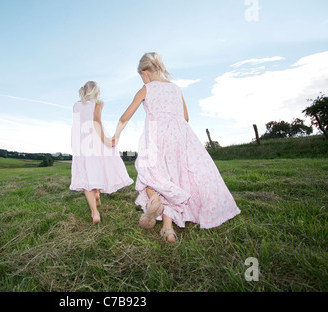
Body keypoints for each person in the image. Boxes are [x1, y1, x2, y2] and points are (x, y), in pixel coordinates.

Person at [112, 52, 240, 242]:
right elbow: (186, 117)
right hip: (179, 136)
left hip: (154, 135)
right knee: (173, 177)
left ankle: (155, 200)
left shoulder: (146, 89)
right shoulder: (176, 89)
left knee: (149, 173)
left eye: (141, 75)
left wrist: (115, 135)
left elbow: (125, 116)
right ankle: (167, 229)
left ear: (145, 72)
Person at [70, 81, 134, 225]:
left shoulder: (76, 105)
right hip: (96, 139)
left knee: (86, 173)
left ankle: (94, 212)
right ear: (96, 92)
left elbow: (75, 125)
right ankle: (97, 194)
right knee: (97, 166)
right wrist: (105, 140)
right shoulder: (99, 104)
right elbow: (96, 122)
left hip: (81, 141)